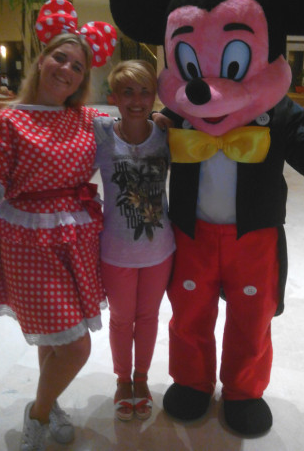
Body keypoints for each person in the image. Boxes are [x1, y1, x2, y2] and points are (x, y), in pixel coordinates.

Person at [0, 0, 116, 451]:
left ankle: (49, 403)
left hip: (76, 239)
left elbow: (135, 129)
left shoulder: (89, 120)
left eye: (78, 66)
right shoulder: (5, 123)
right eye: (60, 58)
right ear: (41, 59)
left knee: (56, 339)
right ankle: (39, 414)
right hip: (28, 243)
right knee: (76, 345)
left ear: (83, 79)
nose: (67, 69)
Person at [93, 60, 175, 421]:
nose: (137, 100)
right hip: (116, 251)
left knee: (149, 317)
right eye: (128, 92)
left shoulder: (166, 135)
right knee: (121, 320)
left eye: (145, 92)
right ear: (114, 96)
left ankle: (141, 379)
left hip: (160, 249)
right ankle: (122, 381)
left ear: (154, 96)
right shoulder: (101, 135)